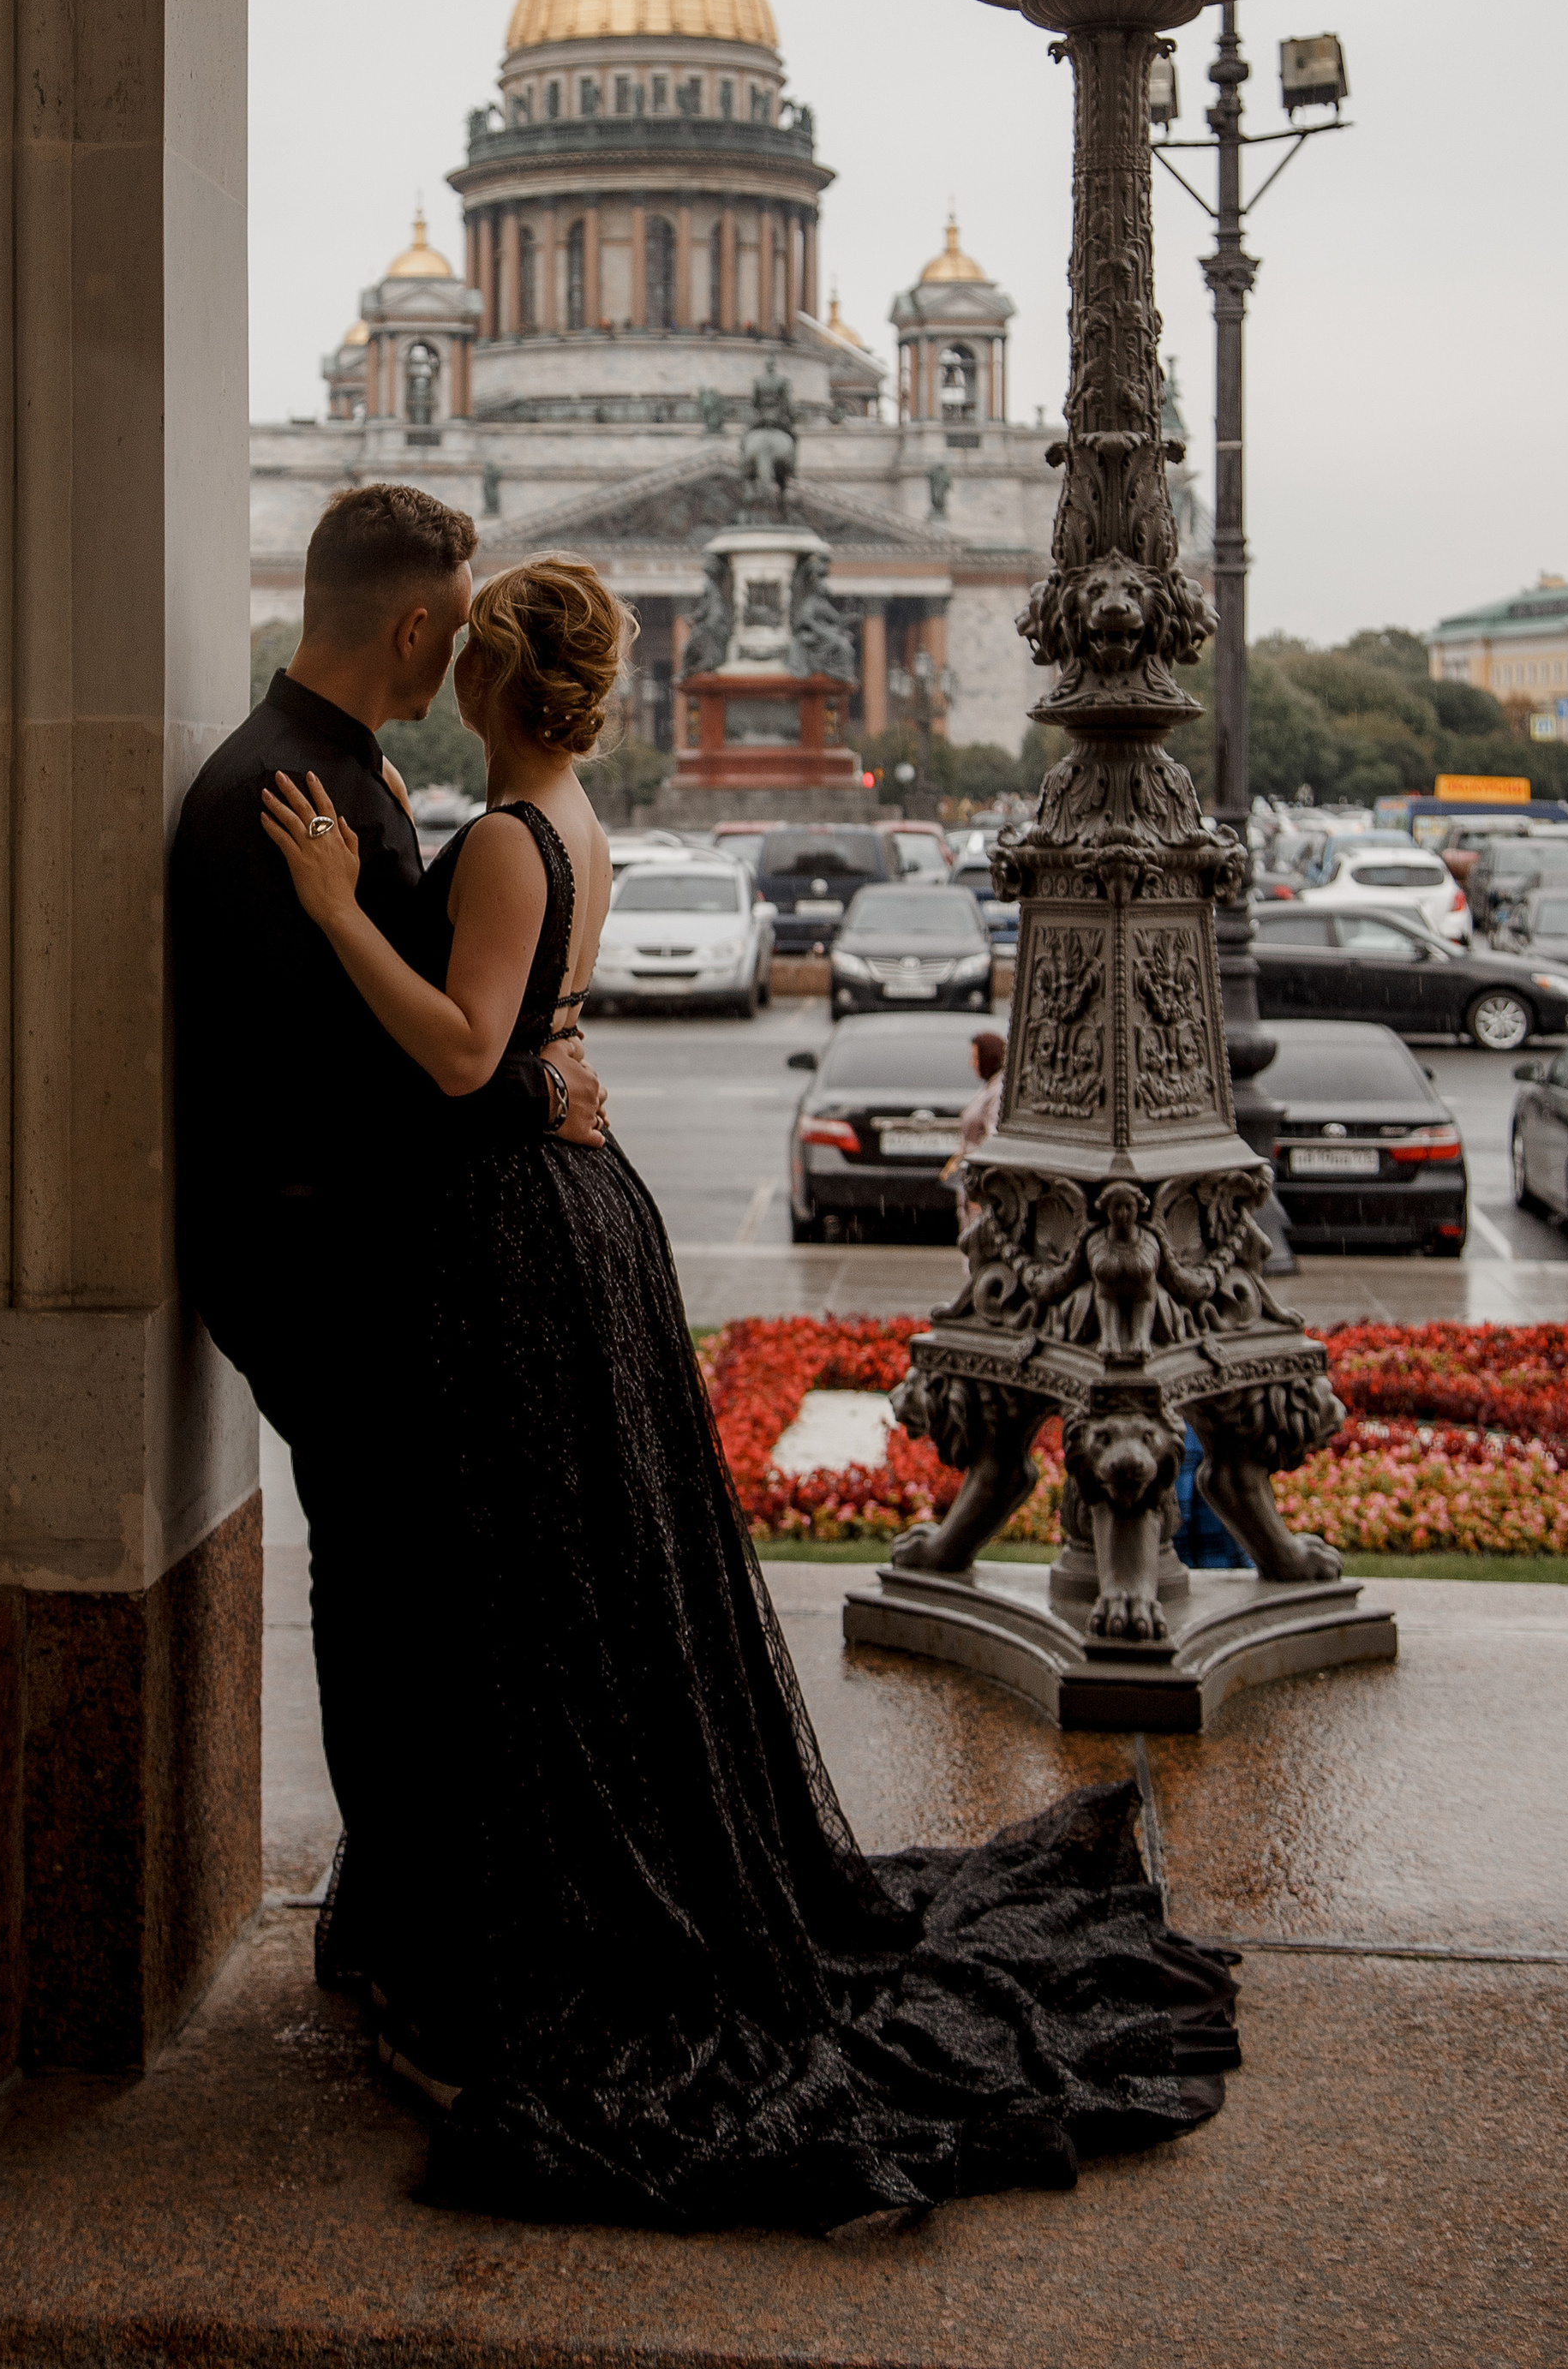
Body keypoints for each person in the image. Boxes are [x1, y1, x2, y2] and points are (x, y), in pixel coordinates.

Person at [259, 549, 1238, 2236]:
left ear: (493, 680)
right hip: (579, 1209)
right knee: (589, 1583)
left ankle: (544, 1914)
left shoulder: (500, 833)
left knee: (537, 1588)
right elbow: (537, 1033)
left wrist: (336, 900)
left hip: (520, 1235)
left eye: (466, 658)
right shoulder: (573, 820)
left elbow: (461, 1052)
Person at [169, 484, 605, 1903]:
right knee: (381, 1589)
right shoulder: (300, 795)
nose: (464, 660)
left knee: (401, 1586)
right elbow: (376, 1075)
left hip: (332, 1244)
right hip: (323, 1259)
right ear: (414, 625)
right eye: (456, 629)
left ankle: (402, 1889)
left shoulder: (329, 775)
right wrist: (535, 1087)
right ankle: (396, 1902)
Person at [943, 1025, 1008, 1237]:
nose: (972, 1064)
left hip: (979, 1183)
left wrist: (982, 1190)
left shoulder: (997, 1092)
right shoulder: (990, 1087)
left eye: (975, 1057)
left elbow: (992, 1140)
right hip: (971, 1178)